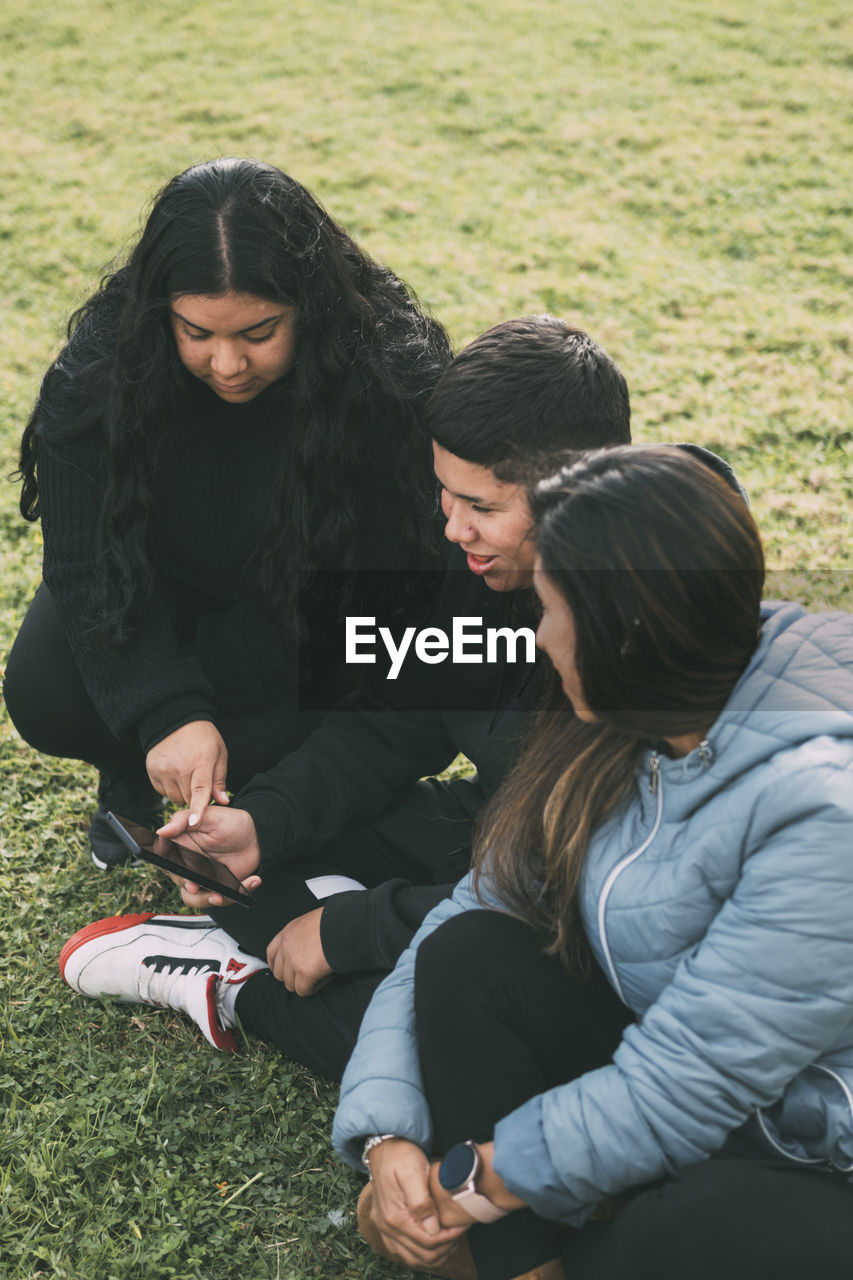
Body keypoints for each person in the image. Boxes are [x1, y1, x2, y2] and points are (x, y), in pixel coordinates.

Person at [58, 317, 636, 1078]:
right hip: (496, 830)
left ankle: (238, 990)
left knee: (455, 1037)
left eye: (482, 507)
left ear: (580, 493)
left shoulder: (653, 625)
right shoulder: (481, 567)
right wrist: (264, 824)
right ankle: (305, 920)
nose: (452, 526)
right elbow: (398, 719)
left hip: (582, 908)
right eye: (443, 492)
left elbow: (576, 888)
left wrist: (354, 931)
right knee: (259, 861)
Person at [331, 445, 853, 1280]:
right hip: (693, 1099)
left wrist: (472, 1180)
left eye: (548, 609)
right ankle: (525, 1262)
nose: (538, 637)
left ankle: (530, 1248)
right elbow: (473, 908)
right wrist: (388, 1137)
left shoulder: (822, 811)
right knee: (471, 956)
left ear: (623, 629)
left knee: (692, 1228)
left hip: (818, 1149)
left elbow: (688, 1081)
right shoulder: (628, 723)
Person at [4, 157, 451, 868]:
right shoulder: (98, 373)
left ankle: (259, 801)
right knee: (44, 689)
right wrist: (165, 712)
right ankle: (130, 767)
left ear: (311, 307)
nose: (227, 364)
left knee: (306, 716)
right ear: (160, 312)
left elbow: (390, 583)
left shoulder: (386, 376)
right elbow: (85, 564)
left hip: (301, 614)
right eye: (197, 333)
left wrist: (212, 698)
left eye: (258, 332)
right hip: (155, 589)